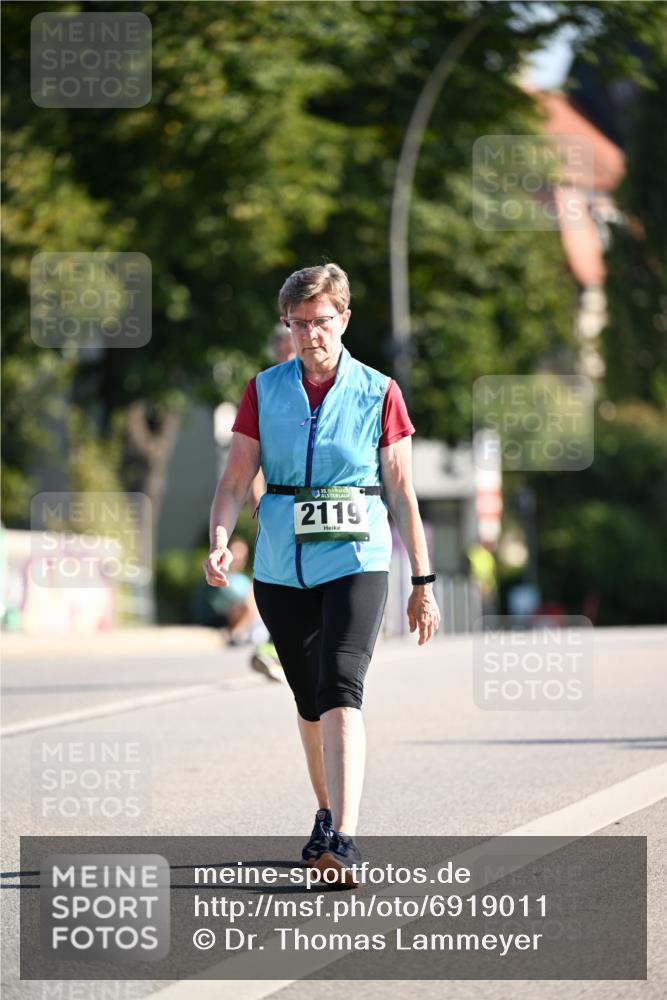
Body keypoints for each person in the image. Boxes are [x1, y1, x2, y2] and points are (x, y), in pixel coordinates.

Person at [203, 263, 440, 885]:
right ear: (286, 324)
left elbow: (402, 491)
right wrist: (220, 540)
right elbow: (233, 480)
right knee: (309, 700)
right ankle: (326, 813)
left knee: (340, 687)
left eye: (322, 321)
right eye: (299, 323)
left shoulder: (378, 391)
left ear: (344, 320)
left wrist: (422, 582)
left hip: (356, 558)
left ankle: (345, 838)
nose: (311, 334)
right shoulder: (264, 390)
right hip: (281, 567)